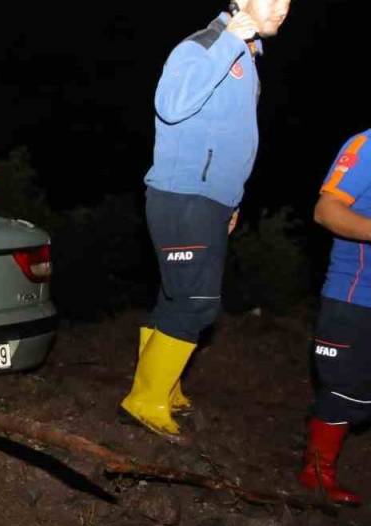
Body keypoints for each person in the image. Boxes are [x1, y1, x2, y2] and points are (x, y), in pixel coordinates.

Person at [120, 0, 290, 440]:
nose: (283, 8)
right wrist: (230, 40)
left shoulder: (246, 58)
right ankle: (144, 398)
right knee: (197, 303)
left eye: (289, 2)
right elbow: (171, 105)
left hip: (210, 200)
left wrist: (231, 202)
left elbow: (229, 137)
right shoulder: (204, 45)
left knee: (177, 298)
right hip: (183, 194)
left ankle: (165, 387)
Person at [295, 130, 371, 506]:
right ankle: (317, 474)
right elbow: (326, 211)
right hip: (355, 297)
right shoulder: (367, 144)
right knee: (345, 391)